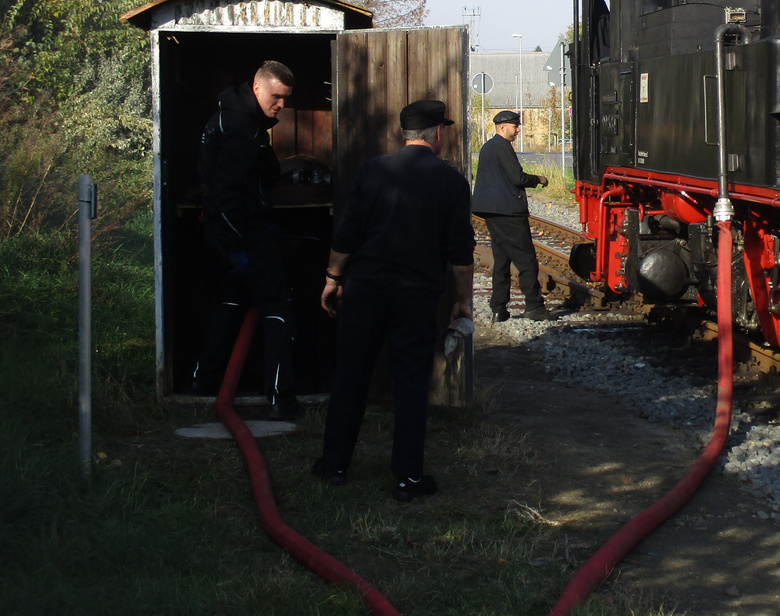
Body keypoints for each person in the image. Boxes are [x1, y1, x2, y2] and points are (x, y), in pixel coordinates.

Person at [312, 99, 475, 502]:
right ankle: (407, 478)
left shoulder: (373, 170)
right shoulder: (451, 181)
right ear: (437, 134)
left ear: (405, 134)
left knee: (351, 375)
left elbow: (347, 233)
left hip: (366, 290)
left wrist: (333, 278)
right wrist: (463, 301)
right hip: (415, 297)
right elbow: (460, 251)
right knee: (410, 384)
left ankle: (333, 465)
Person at [190, 60, 301, 422]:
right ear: (257, 88)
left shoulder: (235, 117)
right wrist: (239, 248)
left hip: (233, 232)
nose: (281, 105)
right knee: (278, 307)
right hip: (240, 234)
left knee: (233, 302)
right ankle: (280, 399)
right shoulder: (240, 127)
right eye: (276, 96)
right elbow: (224, 194)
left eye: (285, 98)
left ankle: (204, 385)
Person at [472, 109, 555, 321]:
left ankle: (499, 309)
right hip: (508, 212)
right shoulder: (501, 147)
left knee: (501, 260)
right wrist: (538, 179)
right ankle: (534, 306)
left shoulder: (488, 147)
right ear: (502, 127)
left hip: (493, 211)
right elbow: (517, 178)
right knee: (526, 259)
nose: (518, 130)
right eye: (515, 126)